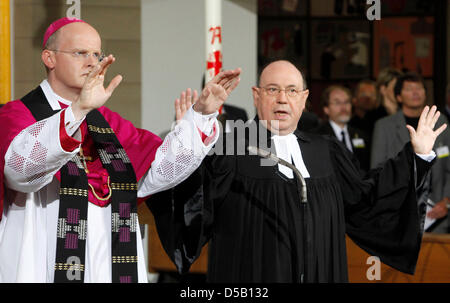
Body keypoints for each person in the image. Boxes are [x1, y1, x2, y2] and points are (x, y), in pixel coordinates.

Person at [148, 60, 446, 283]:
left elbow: (366, 199)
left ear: (303, 100)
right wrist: (192, 130)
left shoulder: (325, 151)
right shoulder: (234, 148)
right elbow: (190, 197)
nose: (282, 99)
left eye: (292, 91)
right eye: (273, 90)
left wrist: (417, 156)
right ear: (256, 95)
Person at [0, 17, 241, 283]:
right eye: (80, 53)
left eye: (96, 54)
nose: (92, 62)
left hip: (109, 264)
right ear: (49, 58)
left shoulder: (108, 123)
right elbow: (20, 172)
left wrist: (201, 116)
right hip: (42, 261)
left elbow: (159, 171)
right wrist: (77, 110)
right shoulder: (17, 115)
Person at [371, 72, 450, 233]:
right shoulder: (384, 126)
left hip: (438, 214)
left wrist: (447, 202)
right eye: (409, 89)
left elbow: (448, 168)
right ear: (399, 97)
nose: (415, 92)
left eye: (419, 88)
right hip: (398, 214)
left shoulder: (440, 121)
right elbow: (377, 170)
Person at [314, 85, 370, 171]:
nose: (344, 107)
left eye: (347, 102)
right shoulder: (316, 137)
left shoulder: (361, 135)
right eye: (337, 103)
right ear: (326, 109)